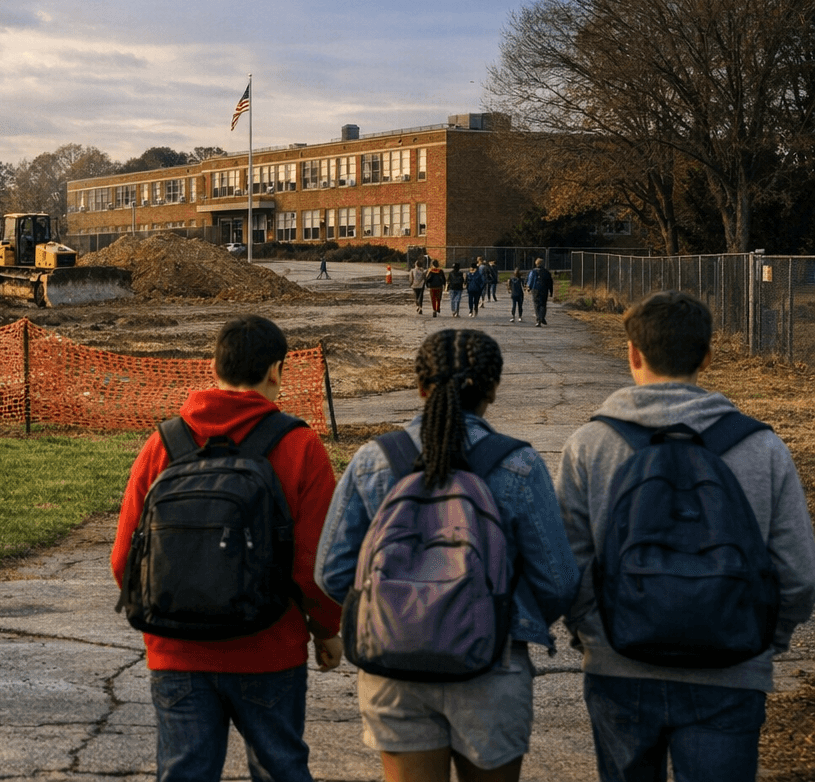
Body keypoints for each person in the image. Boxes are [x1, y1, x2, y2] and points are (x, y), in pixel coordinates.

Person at [558, 291, 815, 782]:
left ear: (633, 354)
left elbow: (566, 564)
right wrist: (762, 642)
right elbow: (798, 574)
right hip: (732, 667)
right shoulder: (761, 446)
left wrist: (595, 635)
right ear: (708, 356)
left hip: (620, 667)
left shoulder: (591, 444)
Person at [316, 329, 579, 782]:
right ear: (493, 389)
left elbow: (332, 571)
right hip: (491, 667)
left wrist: (393, 614)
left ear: (421, 387)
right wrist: (505, 617)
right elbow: (557, 581)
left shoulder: (373, 460)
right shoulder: (518, 465)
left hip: (394, 669)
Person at [112, 315, 344, 782]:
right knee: (280, 768)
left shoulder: (164, 443)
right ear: (276, 370)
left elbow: (125, 560)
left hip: (176, 654)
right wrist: (325, 630)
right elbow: (314, 566)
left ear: (213, 367)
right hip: (269, 649)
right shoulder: (300, 445)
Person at [525, 259, 553, 326]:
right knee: (543, 304)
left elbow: (530, 279)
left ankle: (538, 319)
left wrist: (529, 287)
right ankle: (542, 317)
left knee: (536, 304)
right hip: (544, 289)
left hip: (535, 289)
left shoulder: (533, 271)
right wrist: (551, 291)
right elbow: (550, 282)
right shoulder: (546, 272)